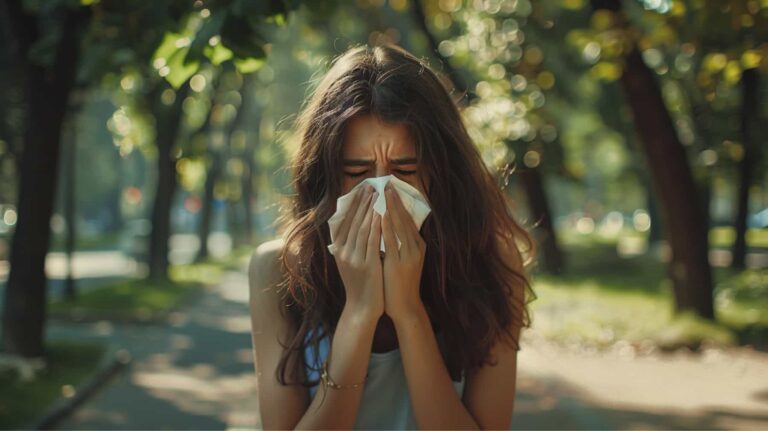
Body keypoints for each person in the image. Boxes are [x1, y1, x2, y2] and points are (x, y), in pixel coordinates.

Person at [248, 43, 536, 430]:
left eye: (405, 169)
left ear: (441, 171)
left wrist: (408, 311)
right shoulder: (278, 269)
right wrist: (360, 312)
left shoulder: (491, 262)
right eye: (357, 171)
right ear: (326, 175)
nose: (381, 192)